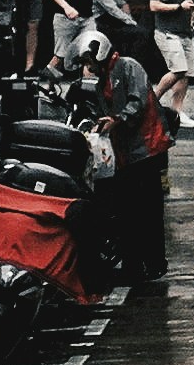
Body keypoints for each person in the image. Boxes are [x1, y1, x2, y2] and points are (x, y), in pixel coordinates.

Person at [69, 27, 168, 282]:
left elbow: (138, 102)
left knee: (147, 210)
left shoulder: (128, 67)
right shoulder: (103, 78)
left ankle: (153, 262)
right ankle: (133, 263)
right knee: (127, 209)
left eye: (89, 61)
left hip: (146, 148)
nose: (88, 67)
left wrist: (117, 120)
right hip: (125, 152)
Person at [148, 0, 194, 127]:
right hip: (167, 32)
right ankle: (152, 101)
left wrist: (192, 18)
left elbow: (192, 2)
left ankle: (177, 111)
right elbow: (154, 5)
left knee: (186, 73)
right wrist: (178, 7)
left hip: (185, 32)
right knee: (177, 70)